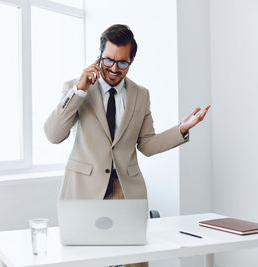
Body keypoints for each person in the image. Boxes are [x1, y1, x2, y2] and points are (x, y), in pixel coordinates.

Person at [44, 24, 210, 267]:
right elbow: (54, 134)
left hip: (126, 190)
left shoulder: (140, 95)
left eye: (122, 62)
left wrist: (182, 129)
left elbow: (148, 145)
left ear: (132, 60)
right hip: (84, 189)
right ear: (99, 55)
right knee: (85, 260)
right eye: (108, 60)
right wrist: (80, 90)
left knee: (136, 262)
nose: (114, 68)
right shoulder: (76, 87)